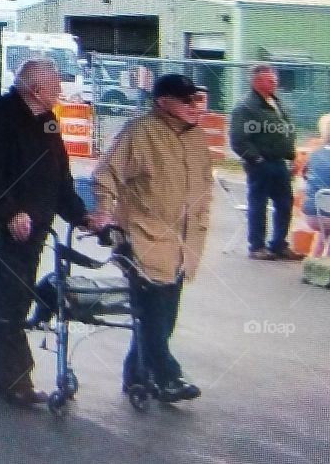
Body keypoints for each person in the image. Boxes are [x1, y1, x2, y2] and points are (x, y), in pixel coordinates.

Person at [0, 58, 94, 408]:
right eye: (55, 86)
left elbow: (59, 179)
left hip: (33, 229)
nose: (60, 91)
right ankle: (15, 379)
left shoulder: (47, 122)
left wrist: (82, 216)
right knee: (7, 300)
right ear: (35, 89)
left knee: (12, 301)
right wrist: (10, 212)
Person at [90, 73, 212, 404]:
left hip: (184, 242)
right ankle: (168, 377)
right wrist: (103, 213)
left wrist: (201, 220)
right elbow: (105, 175)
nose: (194, 106)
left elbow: (203, 185)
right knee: (153, 314)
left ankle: (137, 376)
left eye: (196, 99)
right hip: (142, 237)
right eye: (186, 100)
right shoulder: (139, 132)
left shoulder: (196, 137)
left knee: (163, 316)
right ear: (163, 102)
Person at [229, 64, 302, 260]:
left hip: (280, 162)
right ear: (257, 82)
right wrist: (257, 159)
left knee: (285, 203)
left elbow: (287, 130)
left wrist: (292, 155)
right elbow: (238, 140)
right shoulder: (245, 107)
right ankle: (257, 246)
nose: (275, 83)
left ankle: (279, 245)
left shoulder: (276, 102)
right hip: (261, 164)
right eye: (270, 80)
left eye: (275, 79)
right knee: (258, 204)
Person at [301, 114, 330, 257]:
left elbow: (305, 176)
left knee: (324, 232)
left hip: (312, 213)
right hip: (327, 213)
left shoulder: (314, 155)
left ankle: (315, 260)